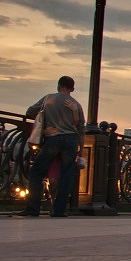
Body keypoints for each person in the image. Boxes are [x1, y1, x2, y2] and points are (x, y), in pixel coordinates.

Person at [17, 76, 85, 218]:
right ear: (72, 89)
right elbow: (81, 129)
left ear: (58, 86)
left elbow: (30, 112)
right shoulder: (76, 105)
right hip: (71, 141)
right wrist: (82, 152)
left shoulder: (48, 99)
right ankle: (60, 210)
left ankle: (32, 208)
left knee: (37, 171)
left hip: (53, 139)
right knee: (66, 175)